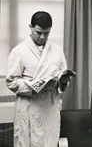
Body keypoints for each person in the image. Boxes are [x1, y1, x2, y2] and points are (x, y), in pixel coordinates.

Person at [6, 11, 71, 147]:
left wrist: (63, 81)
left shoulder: (57, 51)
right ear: (31, 27)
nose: (42, 37)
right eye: (38, 32)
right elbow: (11, 81)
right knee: (28, 141)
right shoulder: (19, 51)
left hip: (49, 107)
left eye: (46, 33)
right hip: (29, 105)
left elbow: (62, 79)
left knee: (49, 142)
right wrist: (32, 86)